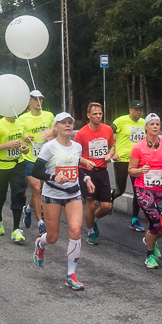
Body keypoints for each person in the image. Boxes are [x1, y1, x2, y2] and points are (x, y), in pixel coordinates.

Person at [32, 112, 96, 291]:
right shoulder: (49, 147)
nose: (68, 125)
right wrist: (53, 176)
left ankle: (71, 275)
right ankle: (40, 243)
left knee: (76, 231)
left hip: (73, 194)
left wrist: (86, 179)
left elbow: (75, 168)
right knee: (52, 237)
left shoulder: (76, 146)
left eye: (70, 122)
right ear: (56, 127)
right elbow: (36, 171)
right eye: (64, 123)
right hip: (52, 194)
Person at [128, 113, 162, 269]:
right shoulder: (138, 147)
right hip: (144, 189)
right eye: (152, 124)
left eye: (157, 124)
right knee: (155, 223)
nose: (155, 127)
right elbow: (131, 170)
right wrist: (140, 171)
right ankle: (149, 255)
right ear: (146, 127)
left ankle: (150, 239)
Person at [73, 102, 115, 245]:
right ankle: (90, 233)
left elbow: (112, 146)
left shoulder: (108, 129)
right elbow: (73, 155)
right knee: (91, 205)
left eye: (100, 114)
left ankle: (93, 220)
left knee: (106, 207)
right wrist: (85, 161)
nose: (98, 116)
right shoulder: (81, 134)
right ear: (88, 115)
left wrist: (110, 154)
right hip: (87, 172)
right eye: (95, 114)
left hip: (102, 171)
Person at [0, 110, 28, 242]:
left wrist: (24, 147)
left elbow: (21, 142)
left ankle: (16, 229)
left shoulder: (20, 123)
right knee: (0, 195)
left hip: (18, 163)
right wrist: (7, 145)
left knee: (18, 194)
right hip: (1, 165)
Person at [21, 90, 54, 234]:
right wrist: (24, 139)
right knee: (36, 189)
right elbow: (17, 136)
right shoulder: (22, 118)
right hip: (29, 158)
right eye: (35, 99)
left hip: (44, 158)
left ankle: (28, 209)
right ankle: (41, 222)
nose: (38, 101)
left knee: (39, 189)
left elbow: (55, 132)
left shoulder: (49, 116)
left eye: (40, 99)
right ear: (29, 102)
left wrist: (51, 136)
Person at [111, 100, 146, 232]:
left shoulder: (144, 122)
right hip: (122, 160)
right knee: (121, 189)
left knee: (138, 191)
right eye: (136, 109)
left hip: (137, 162)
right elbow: (107, 135)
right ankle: (111, 199)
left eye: (141, 110)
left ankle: (134, 220)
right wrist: (112, 151)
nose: (139, 112)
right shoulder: (120, 121)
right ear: (130, 110)